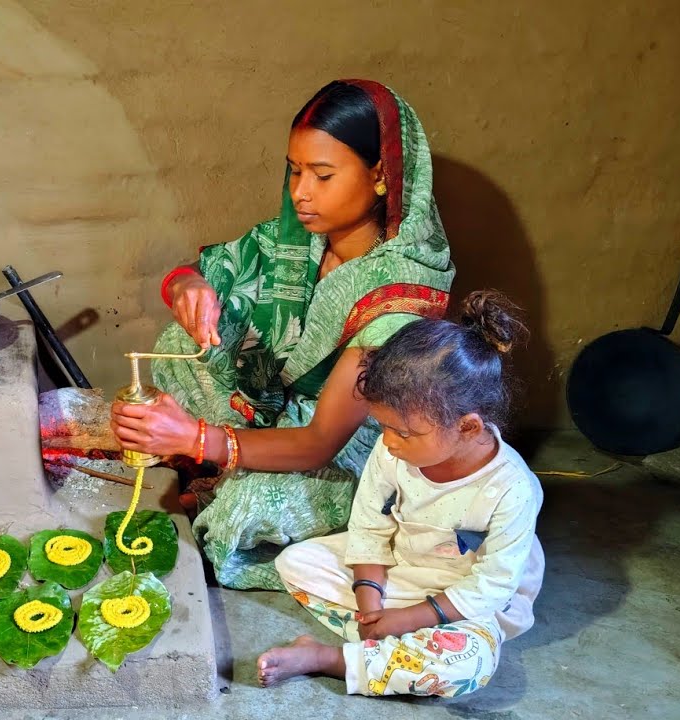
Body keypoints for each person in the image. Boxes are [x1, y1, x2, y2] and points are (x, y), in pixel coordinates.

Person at [110, 80, 454, 590]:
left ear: (381, 175)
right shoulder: (295, 238)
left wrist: (193, 438)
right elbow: (202, 267)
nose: (300, 192)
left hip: (347, 448)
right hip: (274, 403)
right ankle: (224, 462)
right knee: (181, 346)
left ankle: (235, 484)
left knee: (244, 514)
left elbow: (318, 443)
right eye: (294, 171)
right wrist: (189, 287)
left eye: (322, 174)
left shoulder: (398, 297)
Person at [256, 291, 544, 698]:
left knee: (466, 665)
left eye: (404, 432)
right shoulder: (394, 449)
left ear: (468, 427)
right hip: (404, 572)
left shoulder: (512, 488)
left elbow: (493, 586)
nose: (389, 442)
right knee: (295, 563)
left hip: (466, 605)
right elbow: (369, 526)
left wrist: (411, 618)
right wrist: (371, 603)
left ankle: (333, 659)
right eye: (383, 427)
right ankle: (389, 646)